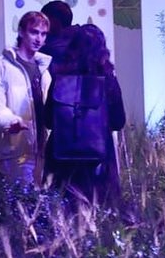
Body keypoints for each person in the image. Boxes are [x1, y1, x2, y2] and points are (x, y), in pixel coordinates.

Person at [42, 22, 125, 205]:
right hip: (98, 161)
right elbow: (118, 121)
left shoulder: (59, 81)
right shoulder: (109, 82)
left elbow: (48, 121)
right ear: (102, 50)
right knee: (101, 210)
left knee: (63, 210)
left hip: (62, 159)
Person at [0, 11, 52, 185]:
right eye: (34, 32)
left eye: (43, 34)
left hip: (41, 152)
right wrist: (10, 121)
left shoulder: (44, 71)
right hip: (12, 151)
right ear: (21, 32)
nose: (39, 39)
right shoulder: (0, 66)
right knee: (17, 199)